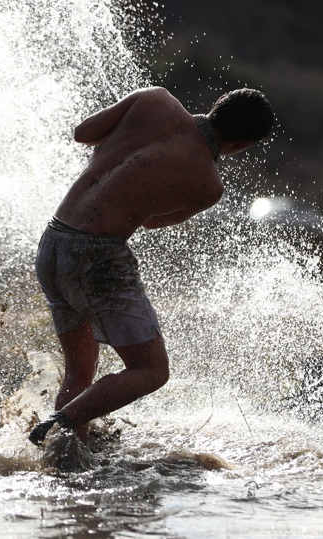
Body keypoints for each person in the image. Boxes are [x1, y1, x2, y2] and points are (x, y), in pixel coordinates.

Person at [28, 86, 275, 444]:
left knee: (79, 374)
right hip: (98, 257)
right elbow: (151, 222)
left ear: (217, 104)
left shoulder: (154, 99)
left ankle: (67, 455)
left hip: (53, 241)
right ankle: (60, 424)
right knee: (151, 371)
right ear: (244, 145)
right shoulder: (208, 184)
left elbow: (83, 133)